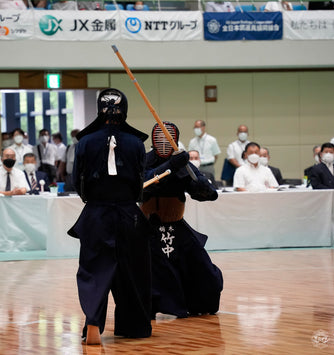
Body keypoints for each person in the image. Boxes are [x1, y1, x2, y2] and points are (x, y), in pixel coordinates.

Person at [67, 88, 152, 345]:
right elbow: (140, 183)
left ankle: (93, 320)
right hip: (129, 214)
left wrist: (91, 198)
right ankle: (134, 326)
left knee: (94, 270)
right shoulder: (136, 143)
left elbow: (76, 182)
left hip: (96, 214)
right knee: (132, 272)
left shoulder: (85, 142)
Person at [142, 121, 223, 319]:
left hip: (176, 225)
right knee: (149, 270)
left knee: (202, 269)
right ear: (153, 139)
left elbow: (208, 194)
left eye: (167, 137)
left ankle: (200, 303)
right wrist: (169, 166)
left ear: (175, 139)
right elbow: (140, 186)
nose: (163, 140)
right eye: (159, 136)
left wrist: (190, 172)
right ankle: (147, 308)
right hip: (148, 229)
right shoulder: (144, 160)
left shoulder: (182, 163)